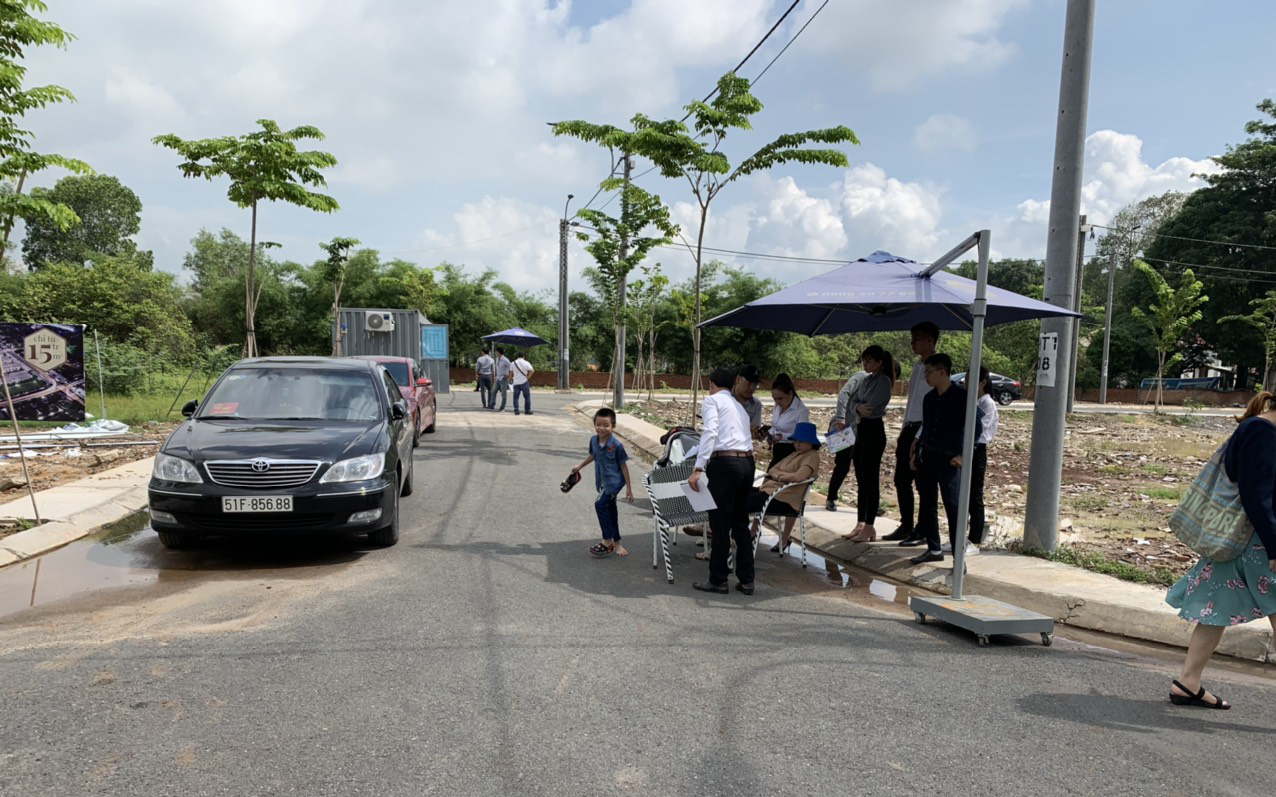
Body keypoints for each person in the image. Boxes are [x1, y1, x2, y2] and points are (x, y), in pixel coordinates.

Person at [1165, 391, 1276, 710]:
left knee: (1215, 609)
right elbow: (1257, 495)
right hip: (1255, 542)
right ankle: (1188, 680)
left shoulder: (1261, 429)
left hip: (1242, 542)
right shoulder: (1262, 432)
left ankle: (1188, 682)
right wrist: (1273, 546)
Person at [902, 353, 981, 565]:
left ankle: (958, 558)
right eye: (925, 372)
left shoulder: (962, 398)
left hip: (949, 460)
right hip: (928, 456)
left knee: (953, 507)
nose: (926, 376)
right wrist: (916, 453)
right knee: (927, 504)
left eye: (929, 372)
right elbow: (927, 428)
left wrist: (964, 454)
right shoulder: (929, 398)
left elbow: (977, 428)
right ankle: (934, 548)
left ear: (942, 372)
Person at [688, 367, 756, 595]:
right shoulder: (739, 407)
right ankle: (747, 580)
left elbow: (710, 432)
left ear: (711, 383)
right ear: (733, 383)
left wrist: (698, 467)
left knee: (719, 524)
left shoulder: (712, 401)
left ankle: (718, 580)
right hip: (747, 464)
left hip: (725, 464)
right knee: (740, 524)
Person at [883, 322, 939, 542]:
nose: (913, 342)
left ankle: (923, 530)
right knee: (901, 479)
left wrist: (920, 433)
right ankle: (906, 524)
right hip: (910, 427)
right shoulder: (918, 367)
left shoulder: (935, 368)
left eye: (918, 338)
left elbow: (932, 407)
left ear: (930, 341)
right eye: (913, 338)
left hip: (923, 429)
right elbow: (913, 403)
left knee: (924, 483)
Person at [838, 345, 896, 542]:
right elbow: (855, 402)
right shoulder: (865, 379)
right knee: (861, 479)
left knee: (871, 480)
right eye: (864, 360)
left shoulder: (884, 381)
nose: (866, 364)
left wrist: (858, 406)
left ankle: (870, 525)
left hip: (874, 431)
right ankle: (860, 522)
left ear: (880, 362)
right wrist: (857, 407)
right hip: (860, 430)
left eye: (870, 361)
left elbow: (869, 406)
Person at [943, 366, 997, 556]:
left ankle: (974, 540)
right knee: (960, 495)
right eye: (966, 379)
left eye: (971, 379)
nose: (966, 383)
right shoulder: (968, 400)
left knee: (974, 494)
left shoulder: (987, 403)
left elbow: (980, 430)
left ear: (982, 382)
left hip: (976, 450)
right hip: (962, 449)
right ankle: (958, 538)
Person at [748, 422, 822, 553]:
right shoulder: (794, 454)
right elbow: (773, 469)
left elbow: (798, 477)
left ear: (811, 442)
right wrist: (781, 475)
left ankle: (737, 536)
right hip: (770, 492)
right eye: (795, 441)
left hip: (782, 499)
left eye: (801, 441)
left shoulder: (812, 456)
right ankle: (735, 532)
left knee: (741, 503)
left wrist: (779, 477)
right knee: (737, 492)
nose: (797, 444)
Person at [571, 407, 634, 558]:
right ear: (594, 424)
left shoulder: (616, 445)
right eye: (598, 424)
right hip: (602, 482)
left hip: (614, 483)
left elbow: (624, 466)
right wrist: (579, 466)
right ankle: (617, 544)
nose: (602, 428)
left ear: (613, 426)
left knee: (600, 504)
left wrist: (629, 489)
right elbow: (593, 455)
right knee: (611, 509)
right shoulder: (593, 440)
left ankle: (607, 541)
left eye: (606, 425)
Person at [825, 368, 866, 512]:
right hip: (845, 429)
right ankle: (831, 498)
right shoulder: (862, 376)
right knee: (842, 466)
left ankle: (868, 503)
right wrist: (840, 417)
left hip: (861, 431)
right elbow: (844, 393)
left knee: (863, 469)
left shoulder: (878, 382)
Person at [767, 373, 809, 465]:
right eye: (774, 399)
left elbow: (803, 436)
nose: (777, 402)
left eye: (780, 398)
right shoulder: (777, 407)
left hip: (792, 452)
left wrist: (783, 436)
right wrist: (769, 434)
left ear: (790, 393)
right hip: (777, 450)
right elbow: (776, 426)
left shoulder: (801, 410)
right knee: (770, 478)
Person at [733, 364, 765, 440]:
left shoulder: (756, 405)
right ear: (738, 379)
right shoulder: (725, 398)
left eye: (755, 384)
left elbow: (753, 432)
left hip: (743, 448)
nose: (752, 388)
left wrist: (756, 433)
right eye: (749, 383)